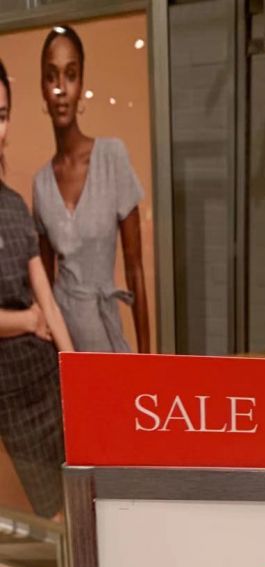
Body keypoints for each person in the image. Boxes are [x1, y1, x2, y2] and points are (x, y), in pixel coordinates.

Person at [33, 24, 150, 353]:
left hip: (104, 335)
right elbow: (44, 285)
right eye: (51, 77)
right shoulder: (42, 183)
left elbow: (135, 268)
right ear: (43, 88)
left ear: (81, 84)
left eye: (70, 75)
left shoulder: (112, 157)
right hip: (61, 346)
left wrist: (148, 360)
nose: (61, 88)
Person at [0, 59, 73, 521]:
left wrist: (77, 370)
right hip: (8, 393)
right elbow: (35, 312)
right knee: (49, 512)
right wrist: (27, 320)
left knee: (76, 492)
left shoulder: (12, 204)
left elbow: (46, 296)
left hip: (44, 378)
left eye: (1, 115)